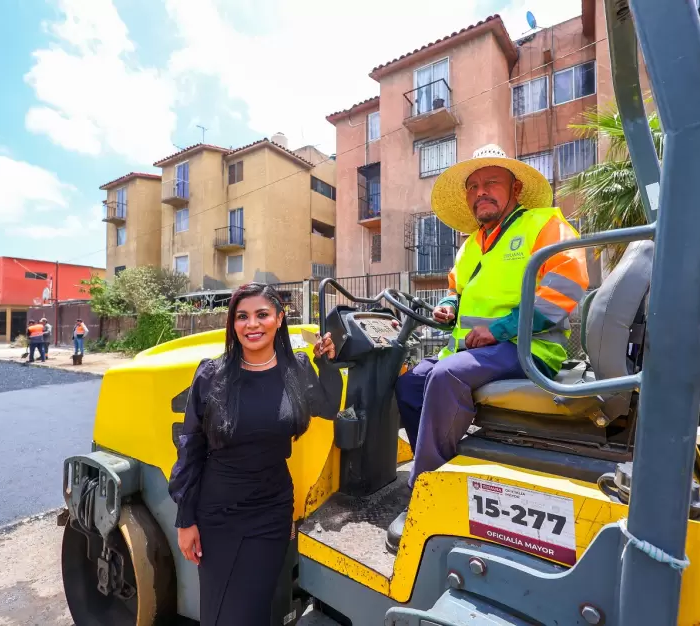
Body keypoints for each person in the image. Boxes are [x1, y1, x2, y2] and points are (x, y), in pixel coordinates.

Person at [386, 144, 589, 552]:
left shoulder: (543, 223)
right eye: (474, 186)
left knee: (445, 376)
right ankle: (448, 463)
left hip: (529, 349)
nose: (482, 192)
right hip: (470, 354)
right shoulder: (469, 246)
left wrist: (502, 329)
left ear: (514, 188)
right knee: (409, 384)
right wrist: (446, 307)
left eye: (491, 183)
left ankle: (425, 493)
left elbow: (567, 286)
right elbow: (455, 292)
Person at [168, 283, 342, 626]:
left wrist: (329, 364)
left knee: (256, 609)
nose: (252, 324)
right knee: (221, 613)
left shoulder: (297, 369)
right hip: (219, 513)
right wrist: (185, 519)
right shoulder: (211, 375)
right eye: (242, 316)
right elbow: (190, 447)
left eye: (262, 314)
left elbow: (328, 406)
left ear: (279, 318)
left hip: (271, 510)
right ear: (233, 324)